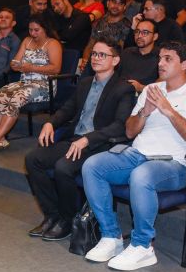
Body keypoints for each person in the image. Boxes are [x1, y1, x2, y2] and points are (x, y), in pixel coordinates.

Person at [81, 41, 186, 271]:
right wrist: (145, 112)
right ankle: (111, 237)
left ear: (184, 64)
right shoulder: (151, 90)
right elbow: (130, 131)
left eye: (167, 59)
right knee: (93, 166)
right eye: (160, 58)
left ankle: (143, 246)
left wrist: (168, 111)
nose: (160, 63)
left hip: (175, 164)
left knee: (142, 176)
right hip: (137, 154)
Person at [25, 39, 135, 241]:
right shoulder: (84, 83)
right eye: (94, 54)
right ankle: (52, 215)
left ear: (116, 60)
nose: (96, 58)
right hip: (74, 139)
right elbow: (67, 109)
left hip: (99, 145)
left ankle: (68, 220)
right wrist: (51, 123)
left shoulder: (123, 88)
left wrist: (88, 139)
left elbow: (120, 125)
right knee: (33, 159)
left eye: (102, 54)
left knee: (63, 167)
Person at [0, 14, 63, 151]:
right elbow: (17, 60)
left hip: (44, 85)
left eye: (36, 30)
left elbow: (56, 68)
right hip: (25, 82)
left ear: (45, 29)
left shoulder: (53, 44)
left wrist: (31, 67)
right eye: (30, 30)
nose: (33, 33)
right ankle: (1, 139)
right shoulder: (26, 41)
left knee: (15, 99)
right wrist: (15, 64)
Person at [79, 0, 131, 73]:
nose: (116, 6)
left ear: (124, 7)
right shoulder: (99, 22)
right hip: (94, 61)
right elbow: (90, 44)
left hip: (112, 66)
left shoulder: (127, 25)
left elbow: (120, 50)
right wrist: (85, 60)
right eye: (113, 2)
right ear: (108, 4)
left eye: (120, 4)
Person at [119, 19, 159, 93]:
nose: (139, 36)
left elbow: (164, 88)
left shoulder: (161, 58)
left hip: (144, 98)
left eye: (145, 32)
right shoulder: (127, 52)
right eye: (137, 32)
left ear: (155, 37)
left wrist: (141, 87)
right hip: (120, 93)